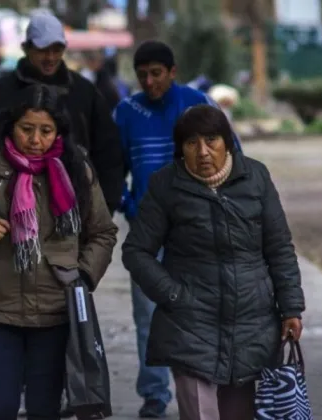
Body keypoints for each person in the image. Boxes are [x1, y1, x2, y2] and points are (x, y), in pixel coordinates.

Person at [0, 84, 118, 420]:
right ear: (10, 126)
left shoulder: (77, 171)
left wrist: (84, 277)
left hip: (56, 311)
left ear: (58, 131)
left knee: (44, 409)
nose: (35, 140)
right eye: (26, 129)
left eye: (46, 131)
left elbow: (102, 232)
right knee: (0, 406)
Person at [122, 104, 306, 420]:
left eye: (211, 140)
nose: (203, 152)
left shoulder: (256, 177)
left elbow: (279, 248)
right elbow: (136, 251)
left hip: (252, 324)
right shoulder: (166, 185)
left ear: (228, 141)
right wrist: (174, 295)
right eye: (191, 143)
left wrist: (291, 307)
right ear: (181, 149)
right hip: (190, 325)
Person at [113, 40, 242, 418]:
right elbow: (109, 167)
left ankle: (208, 383)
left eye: (157, 74)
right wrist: (126, 201)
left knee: (203, 311)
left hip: (199, 230)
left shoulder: (198, 105)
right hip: (147, 233)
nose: (149, 82)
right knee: (148, 315)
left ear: (173, 71)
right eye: (142, 75)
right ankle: (154, 394)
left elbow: (233, 157)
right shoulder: (126, 112)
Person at [0, 12, 123, 215]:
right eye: (43, 50)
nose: (50, 57)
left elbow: (109, 154)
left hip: (75, 212)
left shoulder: (85, 94)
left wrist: (104, 207)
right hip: (9, 213)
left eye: (57, 49)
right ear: (26, 48)